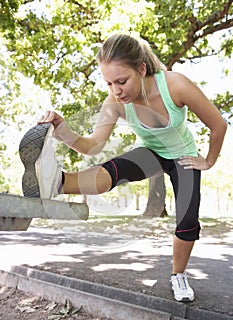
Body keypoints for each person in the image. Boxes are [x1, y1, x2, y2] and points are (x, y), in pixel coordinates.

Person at [19, 33, 227, 302]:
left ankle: (178, 275)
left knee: (187, 222)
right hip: (151, 152)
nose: (115, 90)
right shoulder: (115, 103)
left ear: (141, 69)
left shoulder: (175, 85)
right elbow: (93, 145)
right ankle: (57, 182)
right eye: (108, 83)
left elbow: (218, 125)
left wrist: (208, 161)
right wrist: (63, 131)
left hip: (183, 156)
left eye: (121, 81)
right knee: (113, 170)